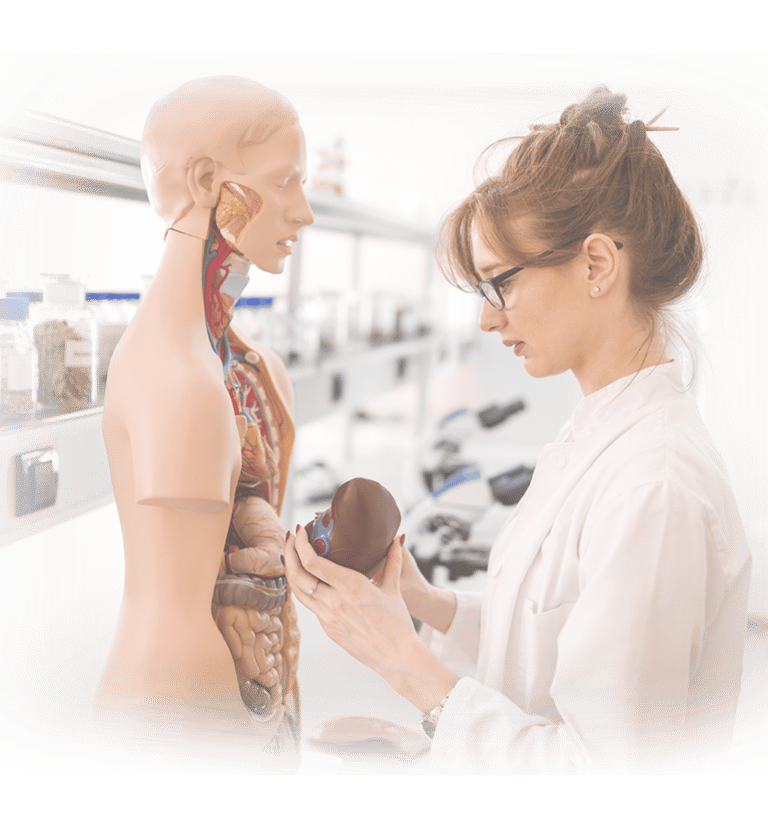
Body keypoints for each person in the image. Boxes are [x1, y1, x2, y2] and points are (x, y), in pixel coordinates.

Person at [284, 85, 752, 774]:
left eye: (501, 283)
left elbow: (596, 773)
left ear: (596, 265)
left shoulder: (655, 487)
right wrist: (424, 603)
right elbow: (547, 647)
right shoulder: (599, 434)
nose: (487, 318)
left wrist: (400, 658)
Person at [97, 76, 313, 762]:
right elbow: (181, 611)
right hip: (181, 716)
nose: (304, 212)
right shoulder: (178, 381)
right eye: (286, 181)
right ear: (205, 179)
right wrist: (246, 748)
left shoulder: (248, 367)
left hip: (243, 702)